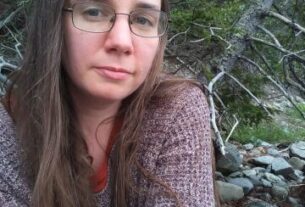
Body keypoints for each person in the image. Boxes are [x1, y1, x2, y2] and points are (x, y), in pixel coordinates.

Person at [0, 0, 216, 206]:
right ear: (53, 22)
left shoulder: (176, 109)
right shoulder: (7, 133)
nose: (122, 42)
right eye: (94, 12)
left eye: (142, 20)